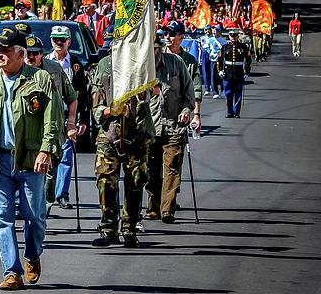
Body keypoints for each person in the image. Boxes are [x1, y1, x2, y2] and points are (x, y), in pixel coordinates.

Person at [0, 27, 61, 291]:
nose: (0, 55)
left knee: (35, 215)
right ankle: (12, 272)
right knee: (2, 217)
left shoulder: (40, 79)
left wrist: (46, 150)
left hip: (30, 158)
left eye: (6, 51)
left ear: (21, 54)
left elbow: (53, 119)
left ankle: (32, 255)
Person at [90, 38, 154, 248]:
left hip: (137, 133)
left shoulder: (142, 64)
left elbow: (153, 94)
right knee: (106, 181)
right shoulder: (104, 65)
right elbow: (96, 105)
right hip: (109, 133)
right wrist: (111, 111)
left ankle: (130, 229)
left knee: (135, 182)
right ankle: (108, 229)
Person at [24, 35, 84, 210]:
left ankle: (45, 206)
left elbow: (72, 98)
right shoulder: (18, 70)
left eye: (35, 53)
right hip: (26, 128)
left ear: (42, 54)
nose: (31, 57)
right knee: (26, 169)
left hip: (51, 126)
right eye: (28, 53)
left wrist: (71, 122)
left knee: (50, 169)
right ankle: (29, 206)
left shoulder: (55, 69)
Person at [147, 36, 196, 224]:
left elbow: (188, 93)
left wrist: (186, 111)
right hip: (149, 129)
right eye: (151, 50)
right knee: (150, 171)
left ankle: (167, 209)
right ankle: (153, 206)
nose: (155, 54)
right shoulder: (142, 68)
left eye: (157, 49)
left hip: (173, 126)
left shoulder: (176, 63)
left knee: (172, 168)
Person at [160, 21, 203, 134]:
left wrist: (196, 115)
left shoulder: (189, 61)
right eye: (165, 33)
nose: (167, 37)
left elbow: (196, 89)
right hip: (158, 117)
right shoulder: (157, 57)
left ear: (181, 37)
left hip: (179, 116)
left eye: (172, 34)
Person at [218, 28, 251, 118]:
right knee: (228, 94)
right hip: (228, 73)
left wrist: (247, 71)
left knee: (238, 93)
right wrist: (220, 70)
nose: (233, 37)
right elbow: (220, 59)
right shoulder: (225, 47)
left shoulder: (243, 47)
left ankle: (236, 112)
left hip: (239, 72)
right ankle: (229, 112)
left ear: (237, 36)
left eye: (235, 35)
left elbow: (248, 59)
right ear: (229, 36)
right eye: (231, 35)